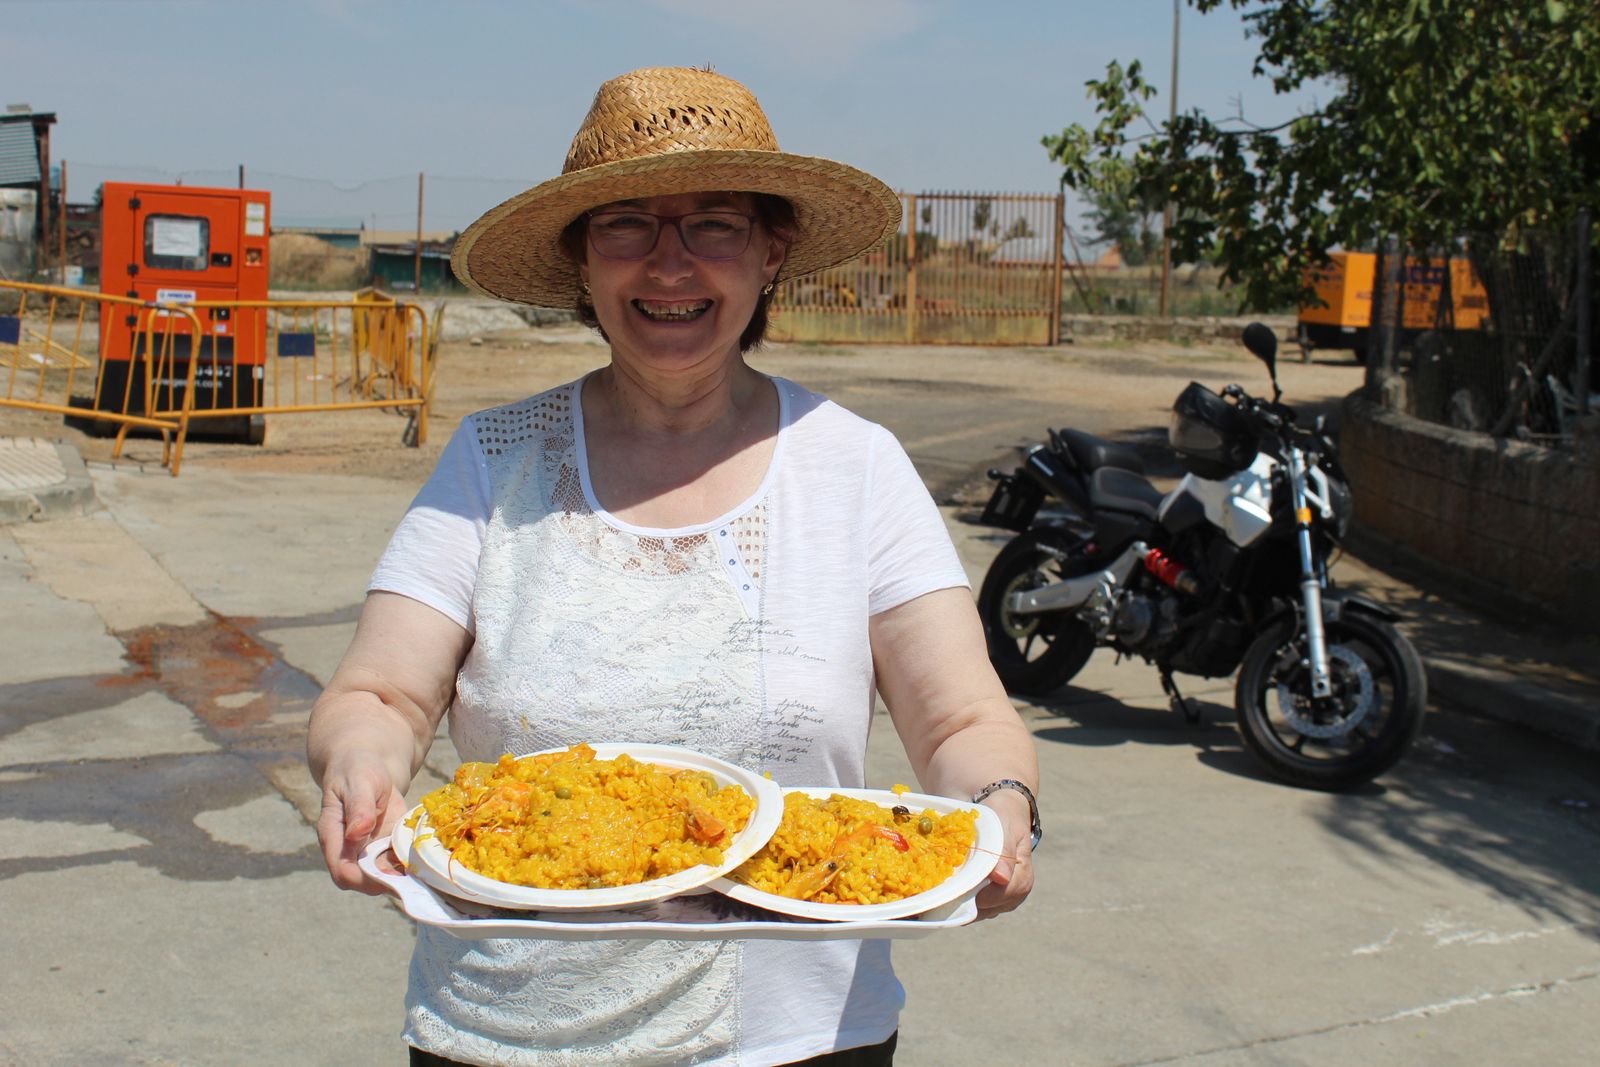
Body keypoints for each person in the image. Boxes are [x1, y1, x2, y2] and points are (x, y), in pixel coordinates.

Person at [308, 66, 1040, 1067]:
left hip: (800, 1040)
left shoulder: (856, 466)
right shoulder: (493, 458)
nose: (668, 263)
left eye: (714, 224)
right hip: (507, 1032)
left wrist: (1001, 806)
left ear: (771, 250)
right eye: (625, 224)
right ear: (581, 257)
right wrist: (359, 764)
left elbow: (959, 719)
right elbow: (382, 692)